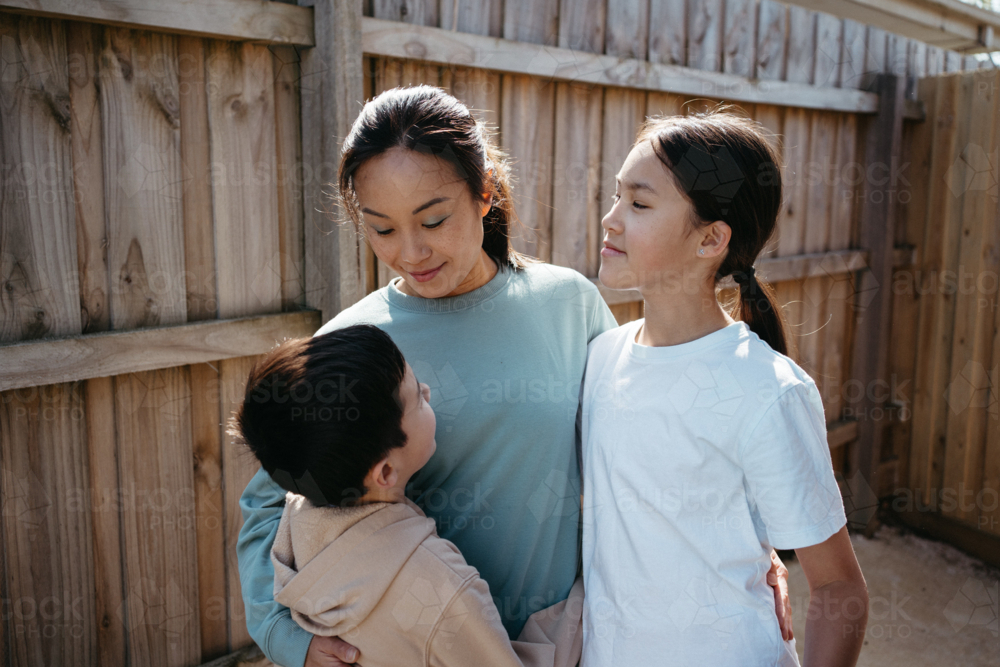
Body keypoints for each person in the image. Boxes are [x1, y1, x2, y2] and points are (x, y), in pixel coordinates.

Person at [236, 85, 792, 667]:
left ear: (485, 194)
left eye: (433, 219)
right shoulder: (355, 344)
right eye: (382, 229)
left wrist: (749, 548)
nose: (411, 251)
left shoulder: (568, 303)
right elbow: (269, 504)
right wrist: (288, 639)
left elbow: (652, 439)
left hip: (569, 639)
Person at [580, 109, 869, 666]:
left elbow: (839, 590)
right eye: (616, 196)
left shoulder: (768, 390)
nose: (610, 219)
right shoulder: (598, 358)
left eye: (638, 203)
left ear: (711, 238)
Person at [231, 325, 583, 667]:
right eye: (416, 397)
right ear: (385, 473)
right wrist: (577, 611)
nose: (428, 391)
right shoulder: (443, 586)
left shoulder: (296, 521)